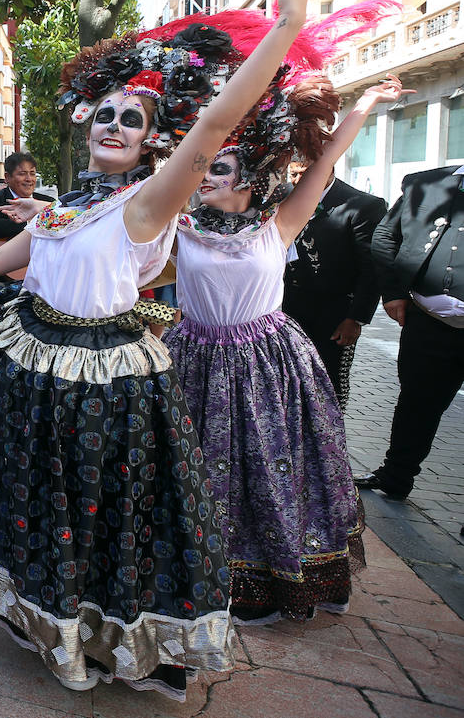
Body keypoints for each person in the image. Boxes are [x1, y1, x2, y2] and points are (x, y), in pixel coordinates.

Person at [0, 0, 315, 699]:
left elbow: (215, 123)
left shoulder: (149, 202)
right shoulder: (67, 204)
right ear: (87, 127)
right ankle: (39, 617)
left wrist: (290, 20)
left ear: (151, 142)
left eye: (131, 118)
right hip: (32, 365)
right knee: (34, 499)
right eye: (105, 113)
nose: (113, 123)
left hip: (103, 385)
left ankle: (99, 638)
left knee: (92, 515)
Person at [165, 67, 404, 624]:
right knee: (196, 468)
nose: (205, 177)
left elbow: (324, 161)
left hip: (268, 365)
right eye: (204, 167)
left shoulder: (279, 223)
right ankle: (195, 571)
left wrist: (367, 102)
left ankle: (272, 577)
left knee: (271, 471)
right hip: (194, 356)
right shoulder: (181, 227)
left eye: (218, 168)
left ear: (247, 176)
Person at [356, 161, 464, 500]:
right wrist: (394, 293)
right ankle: (396, 476)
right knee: (417, 403)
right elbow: (386, 236)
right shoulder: (426, 183)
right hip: (428, 322)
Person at [282, 160, 387, 408]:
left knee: (326, 380)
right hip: (288, 307)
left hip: (334, 312)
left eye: (306, 174)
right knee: (289, 378)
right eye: (294, 174)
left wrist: (356, 318)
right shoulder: (283, 198)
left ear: (329, 169)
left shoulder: (363, 205)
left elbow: (371, 269)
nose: (298, 181)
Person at [0, 152, 52, 248]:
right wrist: (28, 223)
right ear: (7, 177)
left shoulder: (47, 201)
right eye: (22, 174)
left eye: (32, 174)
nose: (29, 179)